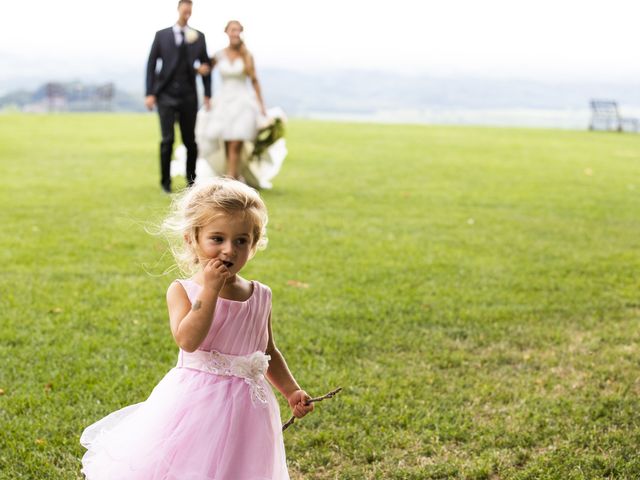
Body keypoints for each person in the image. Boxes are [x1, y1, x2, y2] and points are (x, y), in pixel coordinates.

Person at [80, 178, 314, 479]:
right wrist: (210, 292)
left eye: (241, 240)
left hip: (250, 410)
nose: (229, 250)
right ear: (193, 239)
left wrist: (291, 390)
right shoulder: (184, 291)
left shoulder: (261, 295)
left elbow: (267, 350)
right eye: (217, 239)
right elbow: (187, 340)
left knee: (239, 468)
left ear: (254, 245)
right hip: (198, 405)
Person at [145, 0, 212, 193]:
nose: (187, 13)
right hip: (165, 94)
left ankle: (191, 182)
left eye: (190, 10)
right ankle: (165, 182)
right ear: (179, 9)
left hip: (188, 95)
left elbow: (206, 67)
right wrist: (150, 93)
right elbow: (151, 65)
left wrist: (207, 94)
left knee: (190, 140)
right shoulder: (161, 35)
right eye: (185, 9)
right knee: (167, 139)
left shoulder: (198, 37)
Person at [196, 20, 267, 180]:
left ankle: (231, 179)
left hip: (242, 102)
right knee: (228, 141)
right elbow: (206, 71)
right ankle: (232, 175)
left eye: (238, 30)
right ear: (226, 32)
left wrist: (261, 105)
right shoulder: (219, 55)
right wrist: (204, 90)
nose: (235, 33)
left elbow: (254, 80)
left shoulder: (247, 55)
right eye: (232, 30)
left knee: (236, 142)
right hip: (224, 102)